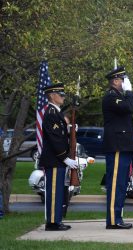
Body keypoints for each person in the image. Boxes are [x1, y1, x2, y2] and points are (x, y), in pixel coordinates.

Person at [39, 83, 78, 231]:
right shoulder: (51, 113)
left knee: (58, 190)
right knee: (54, 191)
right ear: (52, 96)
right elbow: (54, 139)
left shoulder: (56, 113)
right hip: (54, 159)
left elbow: (61, 136)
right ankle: (53, 222)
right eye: (60, 94)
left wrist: (69, 131)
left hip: (57, 160)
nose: (63, 97)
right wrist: (64, 158)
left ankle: (56, 220)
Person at [102, 66, 133, 229]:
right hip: (117, 147)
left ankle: (117, 218)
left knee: (122, 185)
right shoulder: (111, 97)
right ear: (115, 81)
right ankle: (113, 220)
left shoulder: (118, 97)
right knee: (115, 184)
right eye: (122, 80)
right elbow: (128, 107)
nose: (124, 83)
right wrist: (130, 93)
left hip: (123, 147)